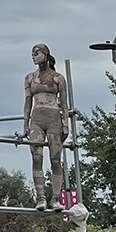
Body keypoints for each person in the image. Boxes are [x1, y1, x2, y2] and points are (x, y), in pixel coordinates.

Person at [23, 44, 69, 210]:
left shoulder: (58, 78)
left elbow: (64, 104)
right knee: (37, 157)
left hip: (54, 119)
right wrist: (25, 124)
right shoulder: (29, 78)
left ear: (45, 55)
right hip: (37, 119)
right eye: (32, 54)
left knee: (55, 159)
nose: (34, 57)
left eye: (36, 53)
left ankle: (56, 198)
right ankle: (40, 197)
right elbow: (27, 104)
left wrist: (65, 125)